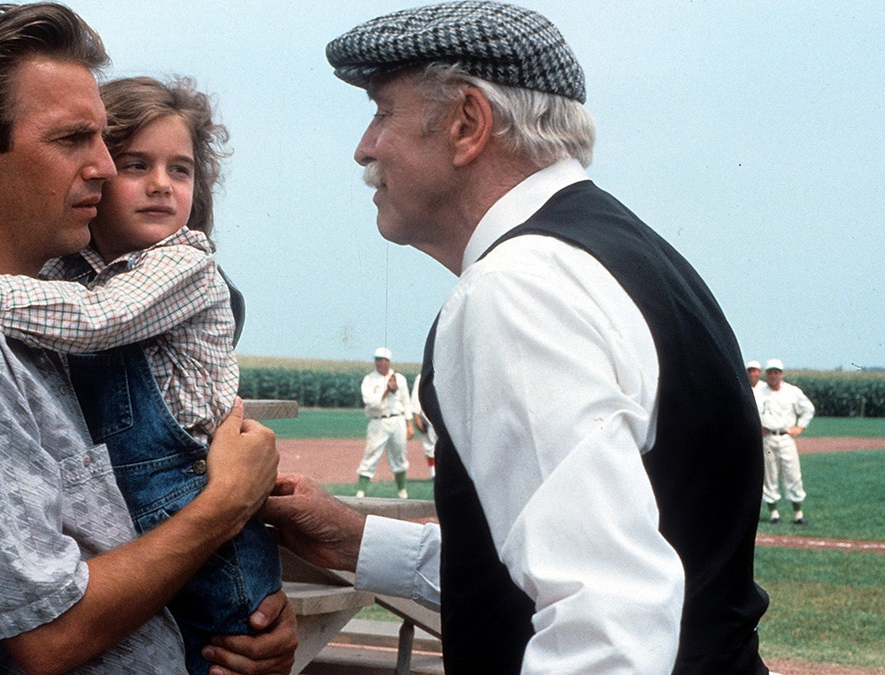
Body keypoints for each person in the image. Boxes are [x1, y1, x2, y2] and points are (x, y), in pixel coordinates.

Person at [264, 2, 769, 673]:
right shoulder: (624, 255)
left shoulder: (517, 287)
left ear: (468, 123)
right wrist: (362, 544)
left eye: (383, 110)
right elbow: (567, 561)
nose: (365, 146)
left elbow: (605, 621)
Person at [0, 5, 295, 673]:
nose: (105, 168)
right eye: (74, 139)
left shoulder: (27, 314)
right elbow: (47, 637)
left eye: (106, 141)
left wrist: (244, 626)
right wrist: (223, 509)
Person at [759, 358, 816, 525]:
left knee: (793, 475)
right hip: (767, 440)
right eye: (770, 372)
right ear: (766, 374)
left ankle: (798, 513)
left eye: (776, 372)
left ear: (781, 374)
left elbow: (808, 409)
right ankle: (773, 513)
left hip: (786, 438)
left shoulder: (792, 392)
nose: (773, 375)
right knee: (770, 475)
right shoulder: (759, 393)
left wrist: (800, 427)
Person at [354, 347, 413, 498]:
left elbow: (406, 401)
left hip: (397, 419)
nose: (379, 362)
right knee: (371, 455)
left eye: (382, 359)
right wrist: (387, 391)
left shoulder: (399, 378)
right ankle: (360, 493)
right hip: (378, 421)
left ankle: (402, 492)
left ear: (388, 361)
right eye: (377, 359)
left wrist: (410, 424)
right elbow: (371, 403)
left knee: (399, 455)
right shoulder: (369, 379)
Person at [410, 373, 437, 478]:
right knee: (429, 448)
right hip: (427, 417)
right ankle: (433, 474)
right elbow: (415, 397)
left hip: (445, 418)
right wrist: (416, 416)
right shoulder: (422, 376)